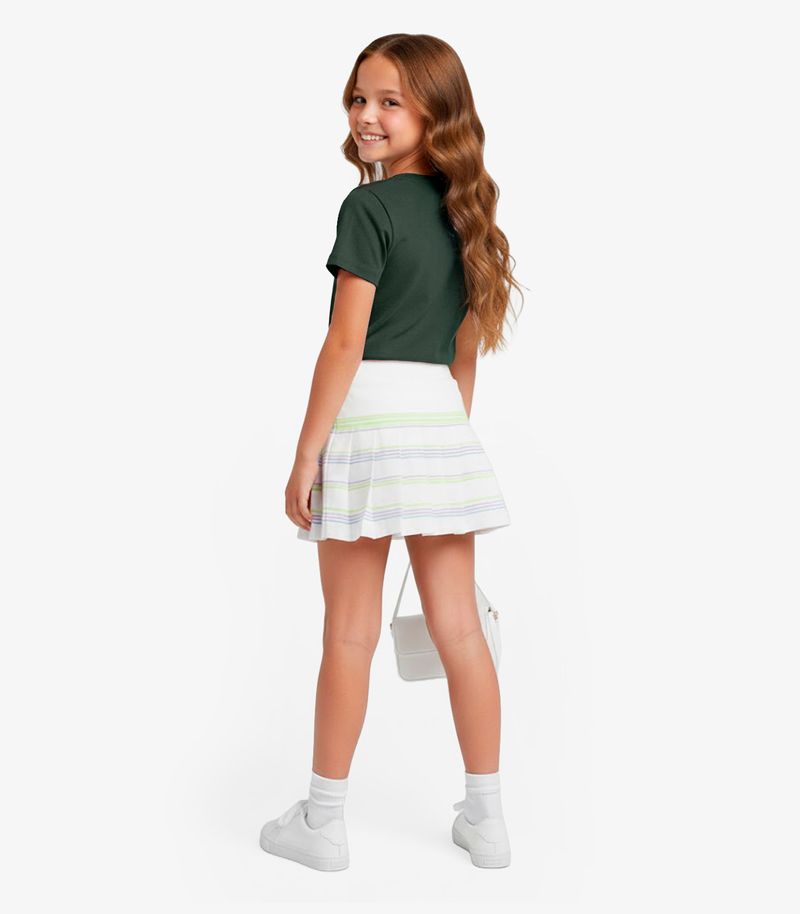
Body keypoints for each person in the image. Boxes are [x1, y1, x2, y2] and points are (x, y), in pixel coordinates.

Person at [259, 33, 524, 871]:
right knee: (461, 630)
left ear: (435, 114)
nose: (365, 116)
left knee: (349, 632)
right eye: (358, 98)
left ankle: (323, 823)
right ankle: (488, 821)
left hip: (368, 423)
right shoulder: (471, 218)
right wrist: (440, 445)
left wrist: (307, 455)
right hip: (442, 427)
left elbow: (346, 342)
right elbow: (464, 357)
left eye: (389, 102)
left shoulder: (367, 210)